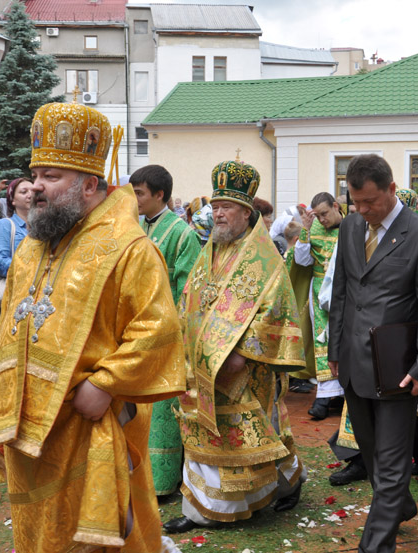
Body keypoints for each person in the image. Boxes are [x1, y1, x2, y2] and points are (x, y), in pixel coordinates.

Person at [0, 102, 185, 553]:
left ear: (89, 185)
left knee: (92, 538)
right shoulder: (32, 247)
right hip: (26, 432)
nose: (36, 186)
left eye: (51, 176)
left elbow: (158, 328)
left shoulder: (129, 248)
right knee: (39, 533)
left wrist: (107, 383)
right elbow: (9, 323)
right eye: (35, 175)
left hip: (87, 424)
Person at [164, 158, 306, 534]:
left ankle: (279, 485)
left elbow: (276, 311)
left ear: (246, 212)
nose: (218, 214)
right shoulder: (212, 249)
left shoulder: (265, 258)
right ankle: (203, 507)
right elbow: (191, 298)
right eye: (215, 207)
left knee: (255, 433)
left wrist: (242, 353)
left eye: (226, 207)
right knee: (208, 431)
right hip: (201, 365)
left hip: (244, 367)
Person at [327, 154, 418, 553]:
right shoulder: (350, 227)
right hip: (353, 361)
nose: (362, 210)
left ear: (392, 190)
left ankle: (375, 545)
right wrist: (335, 348)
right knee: (371, 453)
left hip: (398, 366)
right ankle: (401, 504)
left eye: (370, 202)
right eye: (355, 202)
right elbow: (343, 291)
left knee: (393, 459)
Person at [130, 164, 201, 497]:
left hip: (166, 336)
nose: (134, 199)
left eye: (139, 193)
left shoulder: (182, 234)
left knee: (162, 412)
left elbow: (189, 291)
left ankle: (162, 483)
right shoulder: (136, 226)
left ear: (159, 194)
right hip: (135, 334)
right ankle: (138, 476)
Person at [294, 192, 346, 420]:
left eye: (325, 214)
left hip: (344, 290)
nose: (322, 220)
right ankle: (324, 397)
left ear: (335, 206)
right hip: (318, 292)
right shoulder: (312, 228)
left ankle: (341, 394)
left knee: (344, 341)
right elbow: (302, 260)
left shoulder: (351, 227)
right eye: (318, 216)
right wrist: (305, 230)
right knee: (322, 341)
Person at [0, 178, 32, 278]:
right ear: (12, 200)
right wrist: (30, 270)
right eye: (24, 192)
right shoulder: (5, 225)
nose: (30, 195)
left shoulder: (44, 227)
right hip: (17, 284)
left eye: (34, 191)